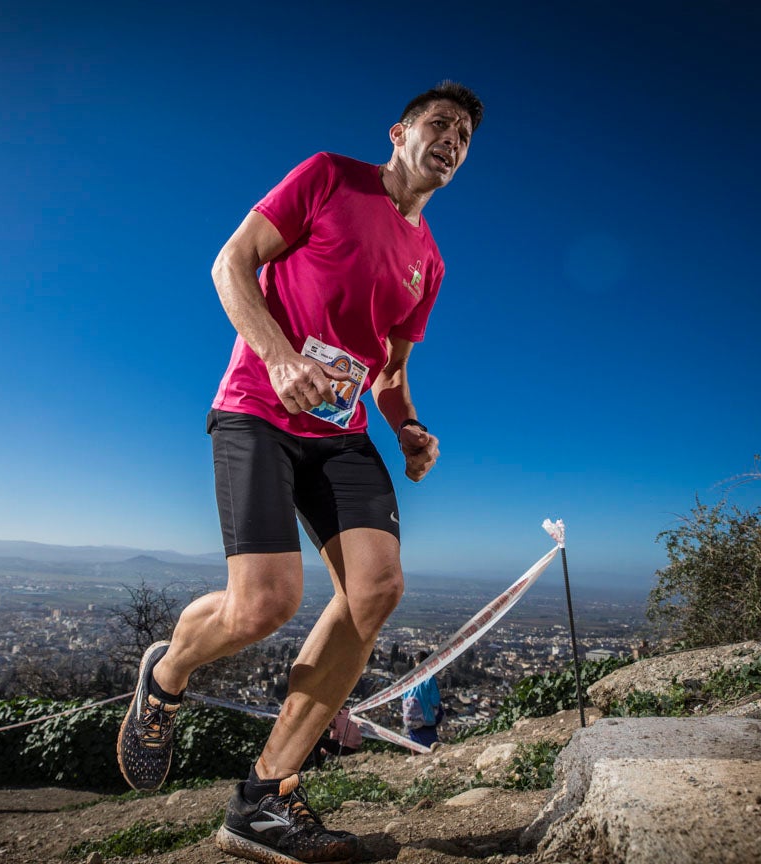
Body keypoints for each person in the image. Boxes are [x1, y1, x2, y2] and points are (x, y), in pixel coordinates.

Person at [116, 81, 482, 864]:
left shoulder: (430, 261)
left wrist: (409, 429)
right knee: (265, 603)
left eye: (464, 135)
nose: (452, 139)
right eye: (439, 123)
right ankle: (168, 670)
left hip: (340, 435)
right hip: (258, 408)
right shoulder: (328, 177)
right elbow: (231, 263)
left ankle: (264, 798)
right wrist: (280, 358)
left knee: (377, 589)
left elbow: (390, 374)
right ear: (399, 132)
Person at [402, 651, 444, 748]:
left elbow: (404, 698)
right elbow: (435, 700)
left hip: (410, 719)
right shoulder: (429, 678)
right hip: (426, 720)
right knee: (429, 747)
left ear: (415, 662)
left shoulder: (408, 679)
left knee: (414, 745)